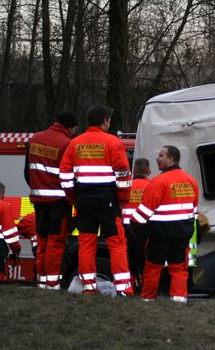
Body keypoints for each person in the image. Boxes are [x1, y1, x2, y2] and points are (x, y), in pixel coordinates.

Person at [59, 104, 133, 296]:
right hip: (108, 200)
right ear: (105, 120)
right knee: (116, 243)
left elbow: (65, 174)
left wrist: (73, 197)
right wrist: (123, 198)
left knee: (86, 243)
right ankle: (124, 288)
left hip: (84, 200)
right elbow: (123, 174)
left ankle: (89, 287)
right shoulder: (113, 142)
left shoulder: (75, 143)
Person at [130, 145, 199, 303]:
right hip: (182, 233)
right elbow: (194, 210)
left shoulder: (159, 181)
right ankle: (179, 301)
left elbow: (144, 211)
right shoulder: (191, 181)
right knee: (179, 268)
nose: (157, 158)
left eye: (161, 156)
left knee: (153, 268)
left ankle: (148, 299)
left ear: (171, 159)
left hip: (159, 234)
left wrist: (134, 226)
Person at [24, 111, 78, 289]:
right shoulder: (67, 143)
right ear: (70, 127)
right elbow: (70, 175)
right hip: (59, 201)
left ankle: (41, 281)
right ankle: (53, 284)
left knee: (43, 240)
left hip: (38, 200)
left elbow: (27, 172)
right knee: (56, 242)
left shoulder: (34, 139)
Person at [121, 157, 151, 292]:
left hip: (127, 229)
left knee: (130, 260)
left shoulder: (128, 186)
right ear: (148, 171)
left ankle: (131, 287)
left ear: (134, 171)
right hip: (145, 229)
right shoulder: (152, 186)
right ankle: (145, 288)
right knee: (145, 260)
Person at [0, 181, 21, 282]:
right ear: (0, 191)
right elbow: (10, 233)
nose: (3, 197)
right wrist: (16, 249)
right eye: (3, 194)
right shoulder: (2, 205)